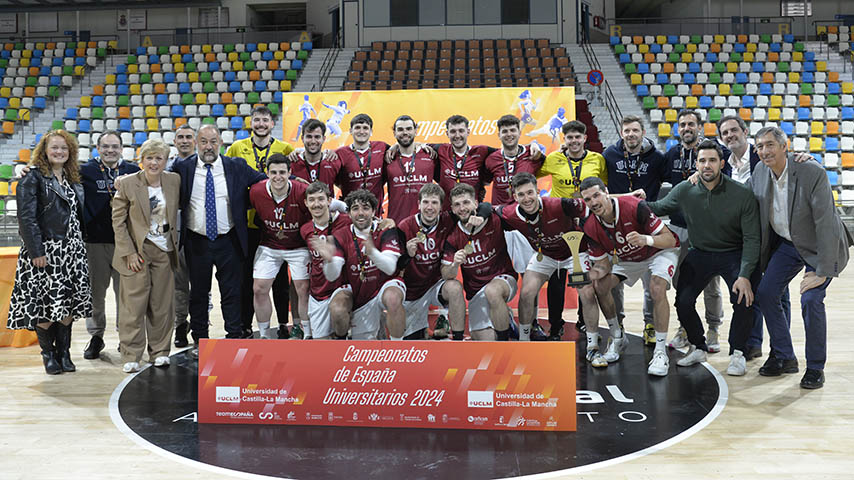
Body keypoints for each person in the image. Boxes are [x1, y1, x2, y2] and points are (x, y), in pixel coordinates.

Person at [643, 139, 760, 376]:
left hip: (733, 253)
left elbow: (752, 239)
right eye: (702, 160)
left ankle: (738, 352)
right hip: (700, 253)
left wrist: (745, 274)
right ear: (696, 164)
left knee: (744, 299)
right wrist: (626, 201)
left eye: (712, 161)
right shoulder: (685, 189)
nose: (707, 165)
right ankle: (698, 346)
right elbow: (657, 207)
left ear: (722, 164)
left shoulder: (742, 194)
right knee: (683, 301)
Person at [751, 126, 851, 389]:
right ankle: (785, 356)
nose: (764, 151)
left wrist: (823, 270)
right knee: (766, 292)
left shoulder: (810, 171)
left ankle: (816, 367)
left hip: (819, 245)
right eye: (760, 146)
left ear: (785, 146)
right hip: (787, 244)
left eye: (770, 144)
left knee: (811, 298)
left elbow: (826, 223)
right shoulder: (760, 171)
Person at [171, 125, 266, 354]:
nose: (208, 146)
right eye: (203, 141)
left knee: (231, 292)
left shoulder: (236, 166)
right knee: (199, 293)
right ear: (196, 143)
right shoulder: (182, 167)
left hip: (229, 240)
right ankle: (200, 341)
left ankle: (233, 337)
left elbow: (265, 179)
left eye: (213, 141)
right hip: (197, 240)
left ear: (221, 143)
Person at [9, 130, 92, 374]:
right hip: (45, 251)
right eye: (55, 147)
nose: (59, 152)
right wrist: (36, 250)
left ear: (71, 152)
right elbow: (26, 218)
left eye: (64, 148)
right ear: (44, 150)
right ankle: (48, 355)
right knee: (44, 307)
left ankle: (63, 353)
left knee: (67, 305)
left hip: (73, 252)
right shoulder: (32, 177)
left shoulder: (73, 178)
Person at [580, 177, 680, 376]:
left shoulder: (634, 206)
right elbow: (603, 265)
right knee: (600, 286)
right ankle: (617, 336)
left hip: (657, 251)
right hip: (626, 258)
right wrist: (588, 275)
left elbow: (669, 239)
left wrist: (645, 239)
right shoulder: (590, 225)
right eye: (588, 199)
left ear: (606, 192)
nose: (593, 202)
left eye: (596, 195)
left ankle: (660, 352)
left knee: (657, 287)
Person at [497, 173, 598, 346]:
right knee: (527, 292)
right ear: (514, 197)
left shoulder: (559, 204)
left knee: (587, 293)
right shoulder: (509, 212)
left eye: (530, 193)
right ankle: (523, 341)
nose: (527, 199)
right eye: (521, 195)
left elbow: (597, 202)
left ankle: (593, 345)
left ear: (538, 191)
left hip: (575, 253)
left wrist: (629, 197)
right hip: (546, 256)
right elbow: (486, 209)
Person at [225, 106, 296, 339]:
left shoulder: (285, 148)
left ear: (272, 124)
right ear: (250, 123)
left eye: (265, 120)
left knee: (279, 278)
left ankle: (283, 323)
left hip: (277, 223)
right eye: (257, 120)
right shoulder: (236, 147)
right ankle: (246, 324)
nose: (261, 124)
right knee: (247, 277)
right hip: (246, 224)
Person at [111, 139, 180, 373]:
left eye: (158, 158)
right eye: (149, 157)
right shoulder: (129, 184)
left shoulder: (173, 180)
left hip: (164, 250)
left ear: (165, 161)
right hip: (136, 252)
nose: (153, 162)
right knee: (133, 305)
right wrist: (128, 251)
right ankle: (131, 353)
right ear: (142, 160)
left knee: (162, 305)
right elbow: (118, 221)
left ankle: (160, 352)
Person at [536, 120, 607, 340]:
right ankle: (555, 324)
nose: (574, 141)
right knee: (557, 278)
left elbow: (603, 188)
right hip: (559, 224)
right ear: (563, 140)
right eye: (570, 137)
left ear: (585, 138)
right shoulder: (553, 160)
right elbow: (531, 174)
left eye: (578, 137)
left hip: (588, 224)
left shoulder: (598, 159)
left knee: (585, 275)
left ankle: (584, 321)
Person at [662, 110, 726, 353]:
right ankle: (686, 327)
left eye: (691, 124)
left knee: (710, 283)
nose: (687, 128)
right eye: (682, 125)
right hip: (678, 227)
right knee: (681, 282)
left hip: (707, 227)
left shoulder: (716, 151)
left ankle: (713, 328)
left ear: (700, 127)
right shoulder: (671, 154)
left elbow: (734, 169)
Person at [602, 115, 668, 345]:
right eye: (627, 131)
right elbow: (601, 192)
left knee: (651, 283)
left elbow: (674, 179)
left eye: (635, 130)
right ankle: (618, 324)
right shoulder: (609, 154)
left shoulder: (657, 158)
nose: (631, 134)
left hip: (647, 224)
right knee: (615, 280)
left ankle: (649, 324)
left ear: (643, 132)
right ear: (621, 133)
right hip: (617, 225)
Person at [80, 130, 140, 359]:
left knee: (125, 294)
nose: (110, 150)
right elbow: (55, 173)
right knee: (96, 293)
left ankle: (125, 337)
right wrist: (30, 169)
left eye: (114, 146)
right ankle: (96, 336)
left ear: (121, 148)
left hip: (126, 244)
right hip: (95, 242)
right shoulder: (85, 170)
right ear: (98, 148)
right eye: (105, 146)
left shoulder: (133, 171)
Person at [317, 189, 406, 340]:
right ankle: (341, 339)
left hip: (384, 285)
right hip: (357, 290)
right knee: (337, 308)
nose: (360, 213)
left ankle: (398, 348)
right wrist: (330, 261)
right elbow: (332, 276)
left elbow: (390, 267)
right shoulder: (341, 235)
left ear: (373, 212)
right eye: (355, 208)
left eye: (365, 208)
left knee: (393, 297)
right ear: (349, 213)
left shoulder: (385, 230)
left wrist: (372, 253)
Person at [441, 183, 517, 341]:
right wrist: (455, 264)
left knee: (493, 291)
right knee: (484, 340)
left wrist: (484, 212)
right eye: (457, 205)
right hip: (476, 291)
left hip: (503, 278)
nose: (462, 208)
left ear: (476, 203)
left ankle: (505, 342)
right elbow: (446, 274)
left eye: (466, 202)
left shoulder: (494, 218)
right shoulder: (453, 236)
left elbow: (506, 208)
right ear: (453, 209)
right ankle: (505, 318)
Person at [249, 154, 311, 339]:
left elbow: (322, 208)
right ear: (267, 173)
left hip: (298, 246)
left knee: (302, 288)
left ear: (290, 173)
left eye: (282, 172)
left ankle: (306, 333)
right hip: (270, 244)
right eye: (273, 172)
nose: (278, 177)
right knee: (259, 288)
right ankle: (264, 335)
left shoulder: (302, 191)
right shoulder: (256, 192)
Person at [397, 184, 466, 340]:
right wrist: (407, 255)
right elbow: (396, 267)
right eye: (426, 202)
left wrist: (480, 212)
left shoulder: (448, 220)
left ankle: (458, 340)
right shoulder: (405, 226)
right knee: (413, 343)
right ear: (418, 204)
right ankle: (428, 331)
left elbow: (480, 209)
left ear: (441, 206)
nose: (429, 207)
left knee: (455, 287)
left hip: (435, 285)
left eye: (434, 203)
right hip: (412, 292)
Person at [301, 182, 354, 339]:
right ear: (306, 203)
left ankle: (342, 337)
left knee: (338, 309)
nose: (316, 204)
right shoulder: (305, 230)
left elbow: (373, 223)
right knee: (322, 345)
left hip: (343, 286)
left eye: (321, 199)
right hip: (319, 291)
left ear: (330, 201)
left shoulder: (347, 221)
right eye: (311, 200)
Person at [166, 124, 196, 348]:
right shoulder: (167, 168)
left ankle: (198, 324)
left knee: (200, 285)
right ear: (175, 142)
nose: (184, 140)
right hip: (175, 235)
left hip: (199, 233)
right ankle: (180, 325)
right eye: (180, 137)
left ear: (194, 141)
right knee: (178, 285)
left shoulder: (207, 167)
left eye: (188, 137)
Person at [384, 115, 436, 224]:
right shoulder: (387, 157)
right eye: (400, 129)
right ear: (394, 133)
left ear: (415, 131)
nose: (405, 132)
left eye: (408, 129)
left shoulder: (430, 154)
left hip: (426, 222)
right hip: (396, 222)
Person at [335, 114, 390, 212]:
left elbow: (403, 149)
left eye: (365, 128)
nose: (361, 131)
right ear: (350, 131)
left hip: (376, 213)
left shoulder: (382, 147)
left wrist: (417, 144)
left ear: (371, 132)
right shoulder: (340, 153)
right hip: (350, 213)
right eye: (357, 128)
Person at [290, 119, 341, 191]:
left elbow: (346, 186)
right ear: (302, 138)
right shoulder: (292, 162)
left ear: (323, 139)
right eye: (309, 137)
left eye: (317, 137)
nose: (313, 141)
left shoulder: (333, 161)